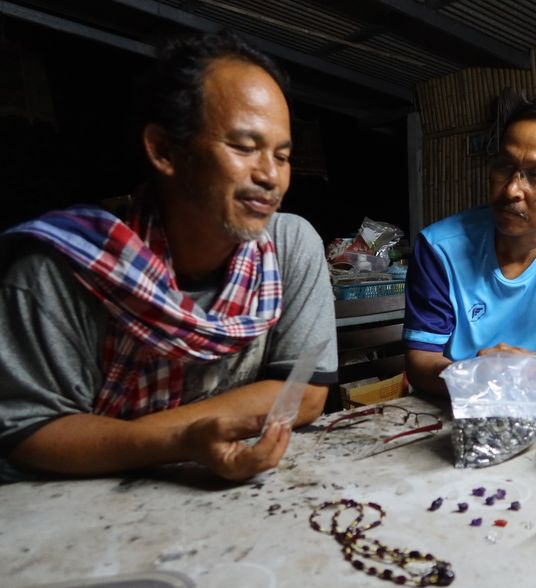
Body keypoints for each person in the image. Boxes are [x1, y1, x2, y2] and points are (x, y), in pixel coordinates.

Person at [0, 31, 337, 482]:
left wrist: (136, 438)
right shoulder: (64, 267)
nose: (270, 176)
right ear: (165, 150)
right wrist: (179, 440)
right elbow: (27, 433)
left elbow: (305, 393)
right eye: (244, 147)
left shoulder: (290, 244)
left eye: (282, 156)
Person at [403, 93, 536, 398]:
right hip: (455, 403)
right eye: (504, 166)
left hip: (535, 399)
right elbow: (420, 362)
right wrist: (477, 375)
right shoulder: (439, 248)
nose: (512, 189)